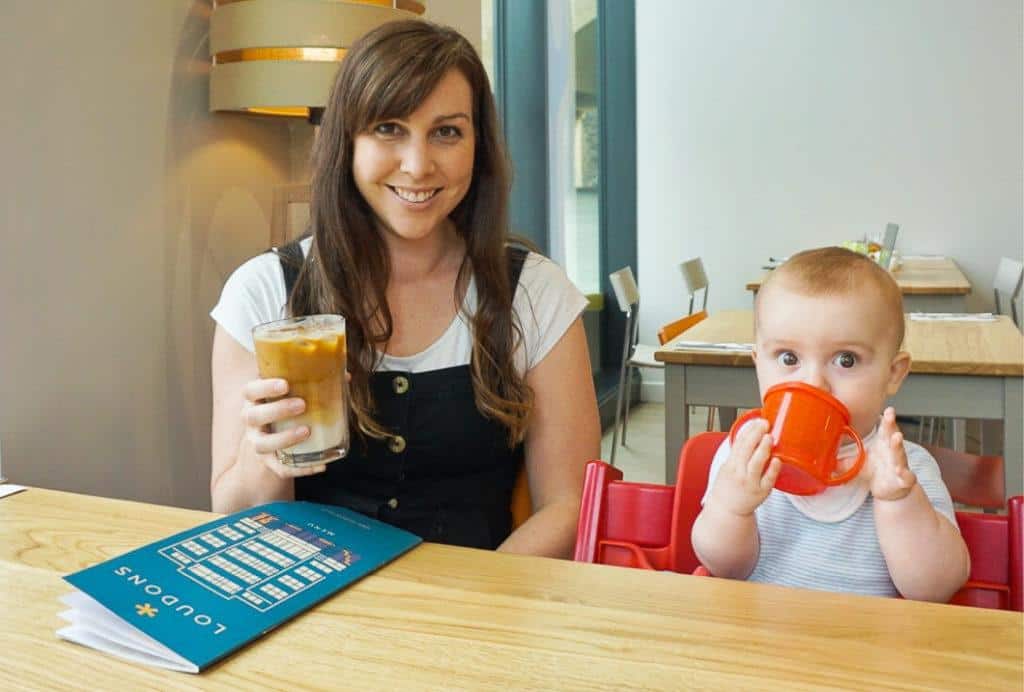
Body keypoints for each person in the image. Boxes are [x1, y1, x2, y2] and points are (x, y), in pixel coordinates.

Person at [209, 20, 600, 557]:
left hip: (480, 604)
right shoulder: (263, 293)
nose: (417, 166)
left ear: (478, 147)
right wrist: (265, 454)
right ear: (346, 141)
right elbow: (232, 516)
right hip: (309, 609)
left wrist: (468, 608)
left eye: (447, 132)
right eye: (389, 128)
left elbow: (570, 503)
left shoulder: (534, 292)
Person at [691, 247, 970, 600]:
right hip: (762, 644)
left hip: (865, 649)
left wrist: (899, 502)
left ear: (892, 374)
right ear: (758, 363)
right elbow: (726, 569)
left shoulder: (905, 469)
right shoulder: (745, 457)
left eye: (846, 360)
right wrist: (732, 507)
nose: (813, 384)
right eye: (788, 358)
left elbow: (936, 590)